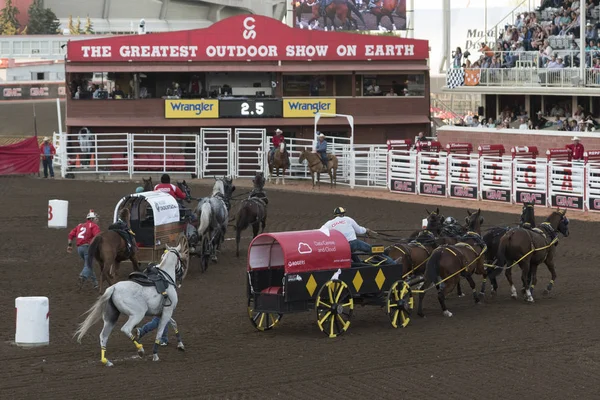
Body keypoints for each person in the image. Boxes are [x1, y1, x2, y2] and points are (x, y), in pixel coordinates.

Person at [321, 207, 395, 264]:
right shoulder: (348, 219)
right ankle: (392, 263)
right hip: (354, 243)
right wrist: (366, 230)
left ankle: (359, 263)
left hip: (343, 247)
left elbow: (320, 231)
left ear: (334, 215)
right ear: (343, 214)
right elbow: (359, 230)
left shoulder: (329, 223)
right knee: (372, 250)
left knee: (351, 253)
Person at [67, 210, 101, 289]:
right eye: (96, 219)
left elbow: (71, 235)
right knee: (88, 265)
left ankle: (95, 283)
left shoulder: (79, 226)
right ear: (92, 219)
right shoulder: (94, 226)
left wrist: (69, 245)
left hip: (80, 249)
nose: (97, 220)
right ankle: (82, 276)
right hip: (88, 248)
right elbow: (98, 236)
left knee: (89, 265)